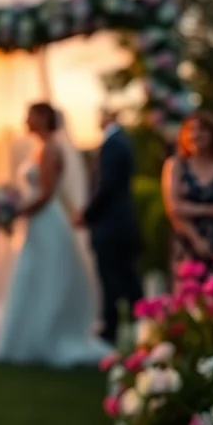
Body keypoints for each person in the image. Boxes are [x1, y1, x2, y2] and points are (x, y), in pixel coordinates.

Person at [0, 102, 112, 367]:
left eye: (30, 115)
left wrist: (16, 212)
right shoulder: (38, 148)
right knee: (32, 278)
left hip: (46, 221)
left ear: (43, 118)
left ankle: (47, 338)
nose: (25, 119)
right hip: (37, 222)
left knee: (45, 278)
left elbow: (45, 193)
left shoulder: (51, 149)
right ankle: (28, 340)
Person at [73, 109, 143, 345]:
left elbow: (106, 187)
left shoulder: (113, 145)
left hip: (111, 226)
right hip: (121, 223)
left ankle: (111, 331)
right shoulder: (123, 142)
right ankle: (142, 325)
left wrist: (87, 214)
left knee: (114, 279)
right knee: (127, 278)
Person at [161, 112, 213, 275]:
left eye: (202, 130)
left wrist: (198, 210)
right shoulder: (176, 165)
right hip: (189, 244)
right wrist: (197, 240)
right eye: (191, 130)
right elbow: (174, 210)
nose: (196, 135)